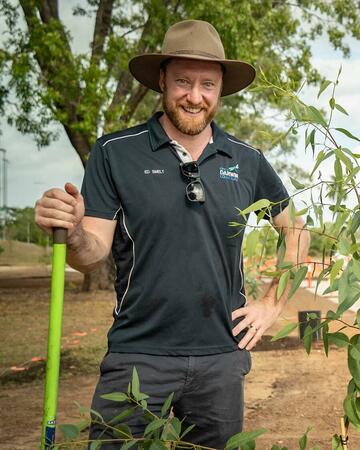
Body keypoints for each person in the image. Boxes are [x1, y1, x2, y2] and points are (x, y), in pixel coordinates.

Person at [33, 20, 309, 447]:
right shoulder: (114, 152)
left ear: (221, 90)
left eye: (207, 85)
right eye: (182, 81)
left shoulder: (247, 159)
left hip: (220, 356)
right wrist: (70, 234)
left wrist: (271, 305)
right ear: (161, 80)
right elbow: (91, 252)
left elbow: (296, 232)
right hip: (136, 355)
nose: (194, 96)